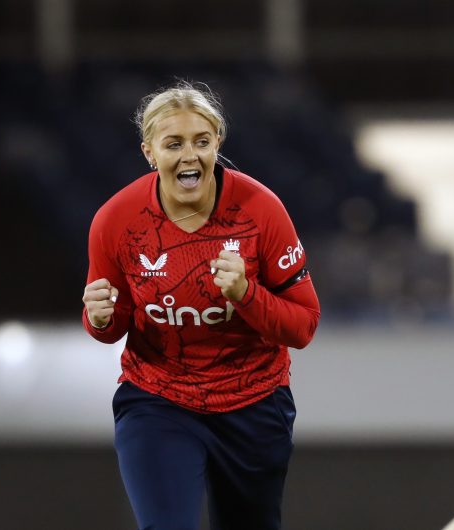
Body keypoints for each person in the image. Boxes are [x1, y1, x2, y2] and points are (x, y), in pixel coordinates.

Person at [81, 80, 320, 530]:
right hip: (158, 401)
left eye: (201, 142)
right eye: (174, 144)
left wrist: (246, 295)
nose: (189, 156)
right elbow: (112, 322)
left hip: (254, 403)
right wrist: (99, 320)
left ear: (218, 144)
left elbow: (304, 326)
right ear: (150, 153)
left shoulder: (261, 211)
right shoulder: (116, 220)